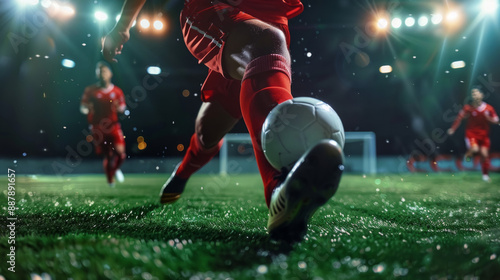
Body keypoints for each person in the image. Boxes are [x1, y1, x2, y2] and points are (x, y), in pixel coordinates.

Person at [102, 0, 344, 240]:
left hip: (271, 14)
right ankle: (278, 190)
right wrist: (123, 25)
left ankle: (184, 173)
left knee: (208, 131)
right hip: (214, 8)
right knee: (267, 43)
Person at [81, 62, 127, 187]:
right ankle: (110, 180)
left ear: (110, 74)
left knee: (121, 154)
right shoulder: (90, 91)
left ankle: (115, 169)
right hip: (98, 128)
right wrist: (86, 110)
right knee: (107, 154)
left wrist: (120, 109)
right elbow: (83, 107)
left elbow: (123, 107)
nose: (102, 74)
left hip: (113, 126)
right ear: (97, 74)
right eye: (100, 72)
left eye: (104, 71)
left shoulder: (117, 91)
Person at [448, 87, 499, 182]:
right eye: (472, 94)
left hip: (484, 135)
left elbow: (497, 121)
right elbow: (459, 118)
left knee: (484, 154)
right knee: (475, 149)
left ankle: (485, 176)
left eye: (476, 93)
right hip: (471, 134)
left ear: (482, 95)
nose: (474, 95)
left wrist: (489, 119)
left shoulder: (489, 108)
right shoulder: (468, 108)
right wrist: (453, 128)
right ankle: (467, 156)